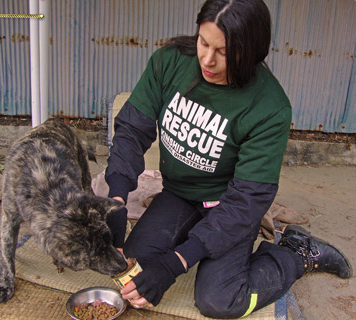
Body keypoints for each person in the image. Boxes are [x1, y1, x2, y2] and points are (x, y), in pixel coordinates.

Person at [104, 0, 353, 318]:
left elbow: (247, 200)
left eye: (223, 51)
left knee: (220, 300)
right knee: (137, 269)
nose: (207, 59)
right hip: (180, 194)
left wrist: (177, 261)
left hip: (230, 208)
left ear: (251, 52)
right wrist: (115, 199)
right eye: (203, 42)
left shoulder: (269, 107)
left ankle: (296, 253)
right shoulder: (170, 61)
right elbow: (130, 131)